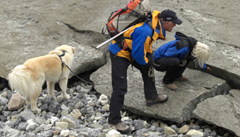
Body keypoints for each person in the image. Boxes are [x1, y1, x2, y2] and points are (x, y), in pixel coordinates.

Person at [107, 9, 182, 134]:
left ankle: (152, 97)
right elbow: (137, 54)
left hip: (130, 50)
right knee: (120, 87)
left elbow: (144, 46)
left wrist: (148, 59)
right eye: (174, 23)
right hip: (119, 53)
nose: (175, 25)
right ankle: (114, 121)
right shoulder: (146, 30)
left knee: (148, 67)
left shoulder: (155, 26)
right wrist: (145, 62)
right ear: (167, 22)